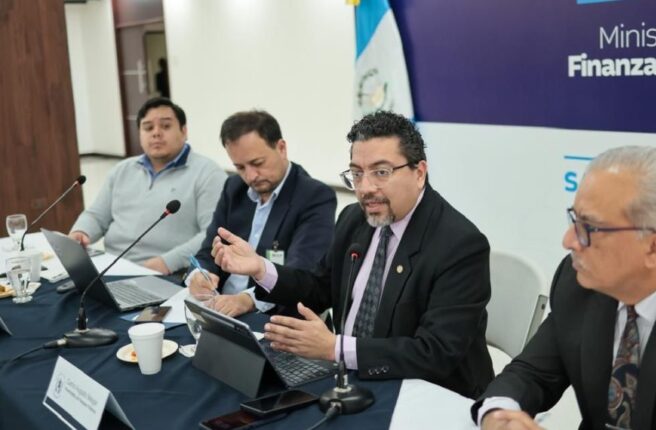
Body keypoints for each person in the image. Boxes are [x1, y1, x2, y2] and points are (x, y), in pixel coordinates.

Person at [210, 111, 494, 398]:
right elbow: (319, 288)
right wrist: (260, 268)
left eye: (381, 172)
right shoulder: (353, 218)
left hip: (426, 393)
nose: (365, 188)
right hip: (349, 377)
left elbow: (435, 352)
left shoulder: (460, 245)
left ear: (419, 173)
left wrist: (335, 348)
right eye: (357, 174)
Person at [473, 146, 656, 430]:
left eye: (590, 228)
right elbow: (532, 373)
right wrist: (499, 415)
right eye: (574, 219)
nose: (569, 241)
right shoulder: (579, 280)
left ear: (654, 248)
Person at [187, 110, 336, 317]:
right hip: (219, 307)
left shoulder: (314, 196)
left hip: (272, 314)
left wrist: (248, 300)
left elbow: (302, 275)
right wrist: (200, 274)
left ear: (281, 148)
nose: (250, 176)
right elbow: (208, 250)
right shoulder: (234, 188)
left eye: (257, 163)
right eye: (240, 167)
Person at [69, 97, 226, 274]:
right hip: (110, 268)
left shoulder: (208, 173)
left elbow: (212, 233)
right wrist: (81, 232)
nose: (156, 133)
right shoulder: (122, 170)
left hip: (169, 273)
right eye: (148, 128)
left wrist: (167, 263)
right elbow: (97, 215)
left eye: (166, 126)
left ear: (184, 131)